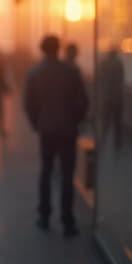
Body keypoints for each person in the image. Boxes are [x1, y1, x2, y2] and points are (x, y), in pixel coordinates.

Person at [24, 35, 89, 236]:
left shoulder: (34, 73)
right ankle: (67, 220)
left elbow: (28, 104)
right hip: (68, 129)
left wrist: (38, 123)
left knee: (46, 171)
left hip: (47, 129)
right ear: (58, 48)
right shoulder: (70, 71)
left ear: (42, 49)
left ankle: (44, 216)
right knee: (67, 175)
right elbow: (83, 101)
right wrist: (75, 120)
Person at [97, 48, 125, 148]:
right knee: (117, 122)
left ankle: (102, 140)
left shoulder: (103, 64)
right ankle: (117, 142)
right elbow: (121, 80)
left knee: (105, 120)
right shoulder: (119, 64)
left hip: (106, 97)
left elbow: (100, 79)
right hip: (117, 97)